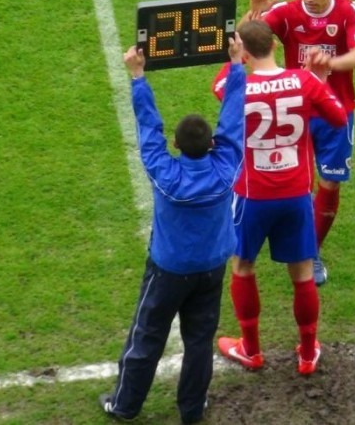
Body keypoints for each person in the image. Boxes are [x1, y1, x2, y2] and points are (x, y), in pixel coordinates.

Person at [99, 37, 246, 424]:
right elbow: (234, 121)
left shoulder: (166, 175)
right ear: (212, 143)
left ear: (176, 144)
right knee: (199, 342)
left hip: (168, 271)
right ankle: (192, 410)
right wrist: (236, 67)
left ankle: (125, 405)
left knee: (147, 335)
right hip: (211, 268)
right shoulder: (227, 167)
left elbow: (149, 130)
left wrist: (138, 77)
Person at [213, 20, 347, 375]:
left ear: (243, 53)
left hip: (252, 195)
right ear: (275, 45)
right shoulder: (304, 81)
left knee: (243, 266)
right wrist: (318, 82)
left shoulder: (238, 86)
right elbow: (337, 117)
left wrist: (234, 57)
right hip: (296, 195)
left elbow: (220, 83)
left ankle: (251, 350)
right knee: (302, 272)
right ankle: (307, 354)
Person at [245, 0, 355, 286]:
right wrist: (254, 13)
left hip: (336, 110)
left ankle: (311, 252)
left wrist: (329, 62)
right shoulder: (287, 12)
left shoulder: (349, 10)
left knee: (330, 182)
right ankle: (274, 237)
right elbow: (245, 41)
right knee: (295, 181)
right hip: (294, 110)